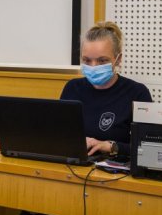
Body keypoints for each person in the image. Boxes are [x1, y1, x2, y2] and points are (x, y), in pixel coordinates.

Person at [60, 21, 152, 158]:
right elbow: (58, 135)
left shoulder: (137, 93)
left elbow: (148, 148)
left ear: (118, 59)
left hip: (113, 173)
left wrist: (110, 146)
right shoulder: (72, 88)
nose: (93, 66)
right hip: (75, 168)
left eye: (102, 61)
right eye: (86, 60)